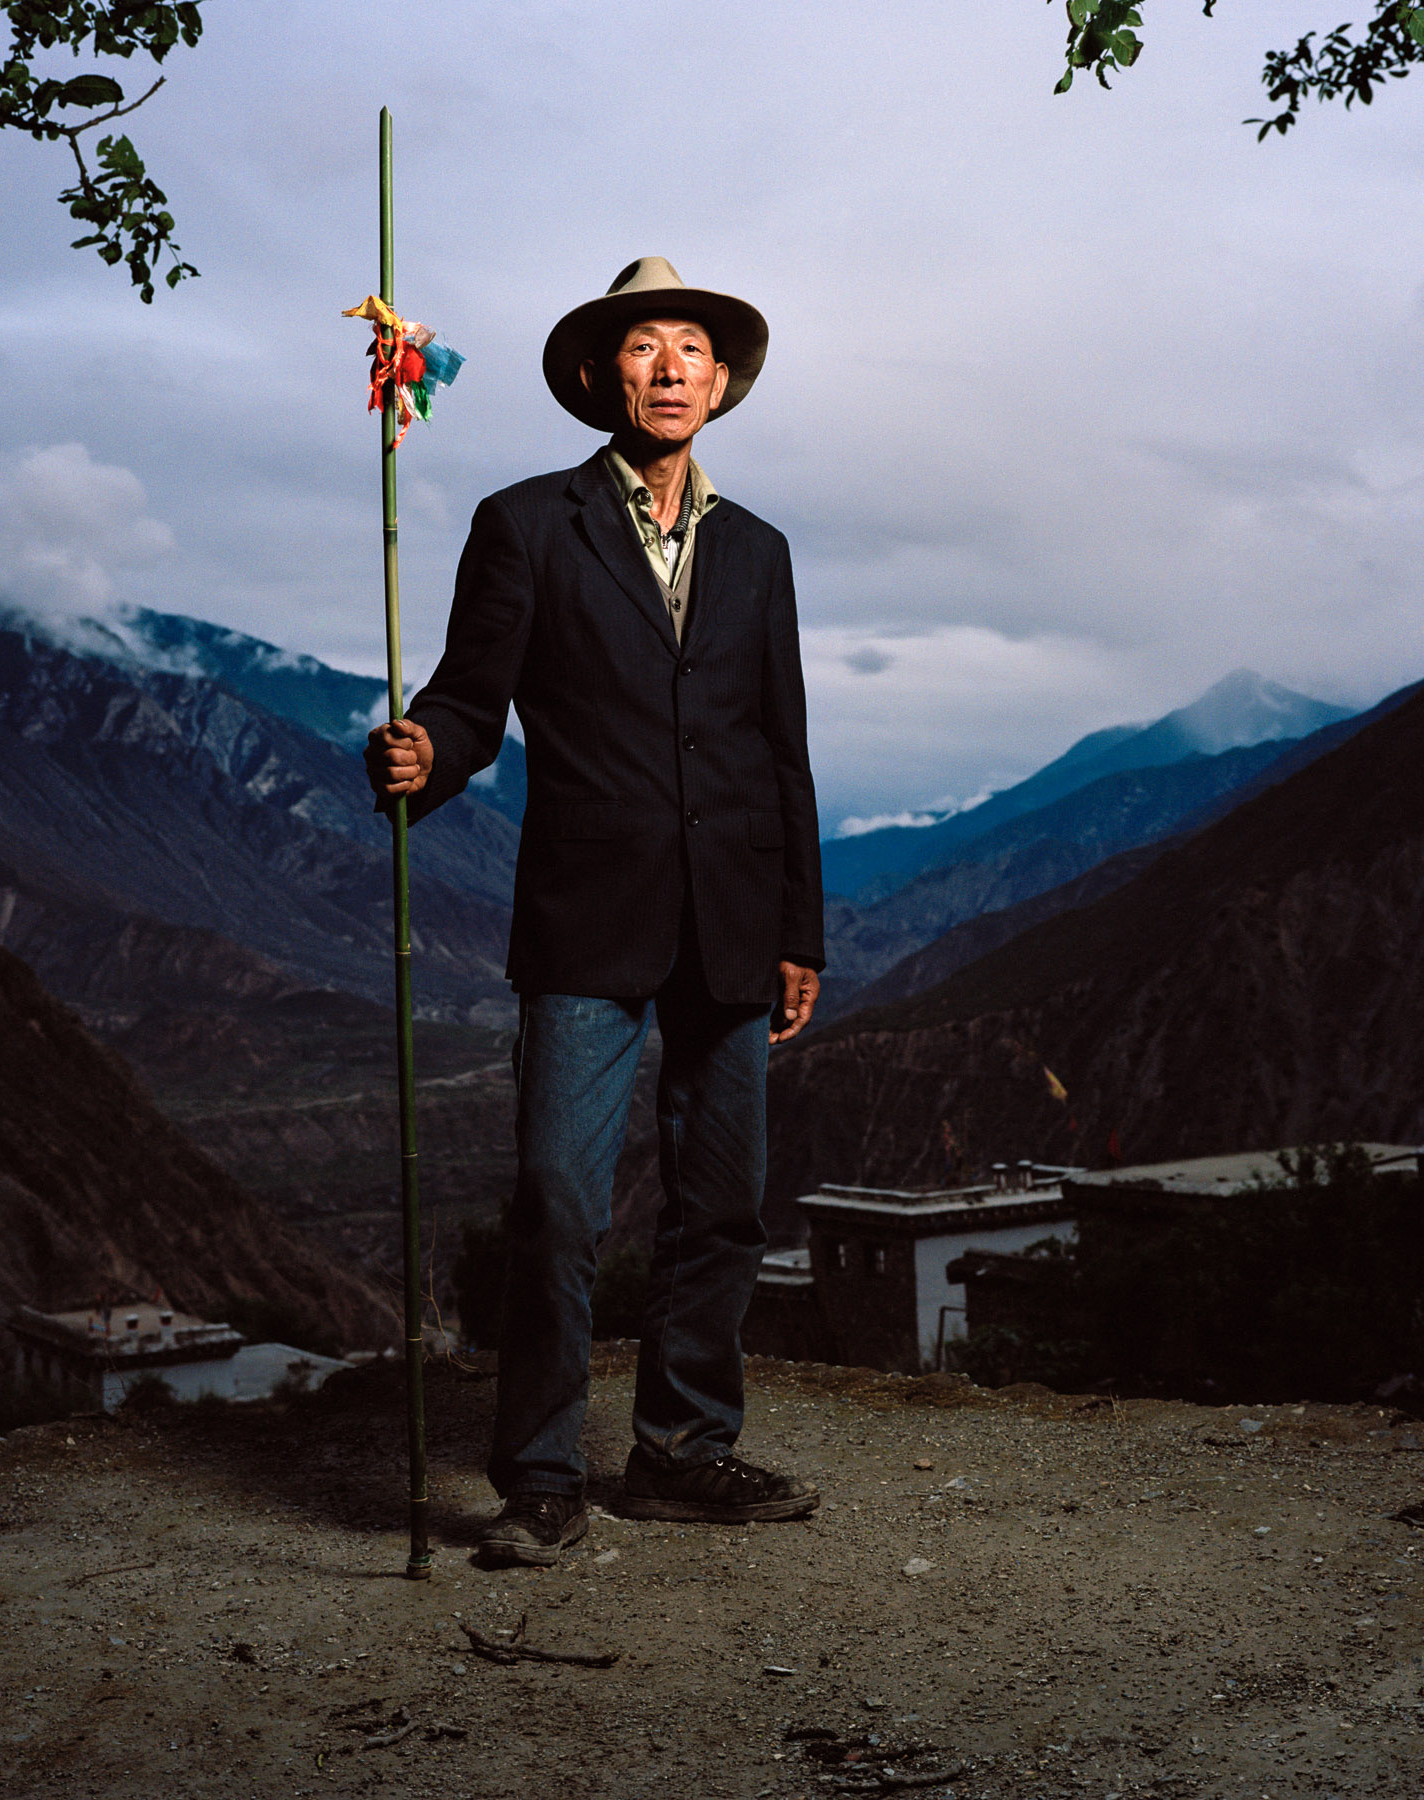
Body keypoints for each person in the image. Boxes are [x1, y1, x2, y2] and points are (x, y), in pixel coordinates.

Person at [366, 257, 825, 1567]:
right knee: (559, 1200)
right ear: (594, 377)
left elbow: (781, 748)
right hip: (585, 918)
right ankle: (543, 1478)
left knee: (723, 1203)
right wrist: (425, 757)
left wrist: (803, 927)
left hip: (736, 917)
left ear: (723, 381)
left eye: (694, 346)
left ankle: (685, 1454)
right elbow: (468, 698)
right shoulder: (527, 527)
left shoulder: (759, 552)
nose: (671, 365)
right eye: (644, 347)